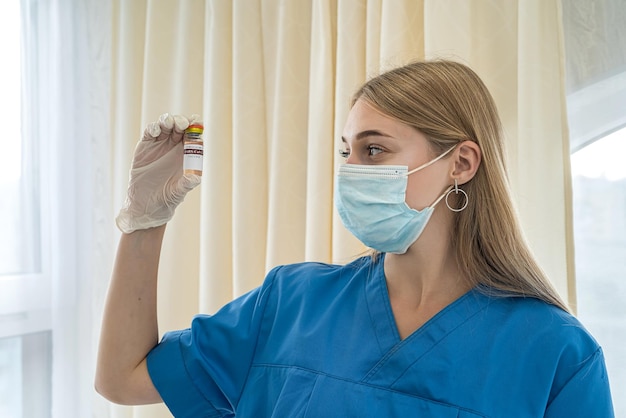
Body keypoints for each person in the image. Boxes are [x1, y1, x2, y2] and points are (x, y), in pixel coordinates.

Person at [95, 60, 614, 417]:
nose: (350, 170)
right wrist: (146, 221)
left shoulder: (556, 354)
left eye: (373, 151)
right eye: (346, 151)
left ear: (460, 163)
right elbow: (122, 378)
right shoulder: (292, 304)